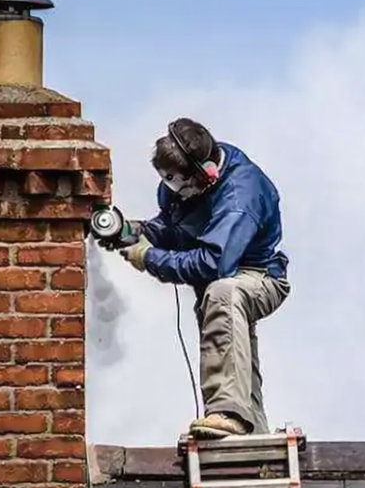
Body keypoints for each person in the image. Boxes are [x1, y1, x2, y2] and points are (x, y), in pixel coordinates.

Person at [98, 118, 290, 439]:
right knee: (235, 351)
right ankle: (253, 431)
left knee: (224, 293)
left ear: (206, 174)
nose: (175, 192)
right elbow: (176, 229)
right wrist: (134, 232)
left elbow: (213, 263)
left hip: (259, 276)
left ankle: (228, 413)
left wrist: (148, 257)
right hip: (223, 280)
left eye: (179, 184)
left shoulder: (240, 195)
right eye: (169, 184)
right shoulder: (190, 185)